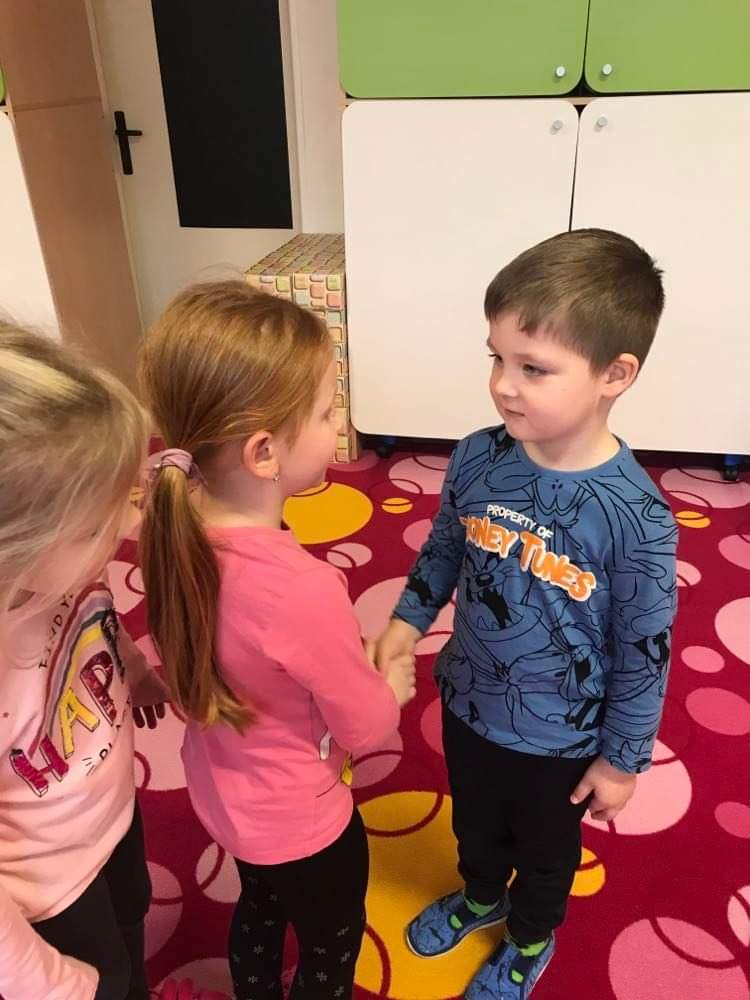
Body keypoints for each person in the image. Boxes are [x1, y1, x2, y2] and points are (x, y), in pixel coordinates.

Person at [375, 230, 678, 999]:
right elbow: (444, 549)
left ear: (615, 375)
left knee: (546, 856)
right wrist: (407, 622)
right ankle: (481, 896)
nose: (503, 386)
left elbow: (644, 652)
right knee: (474, 825)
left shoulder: (637, 519)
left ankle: (529, 937)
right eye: (497, 359)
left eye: (533, 368)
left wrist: (622, 761)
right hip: (469, 702)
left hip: (561, 741)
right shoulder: (479, 456)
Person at [137, 281, 416, 1000]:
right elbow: (365, 727)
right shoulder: (302, 590)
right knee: (331, 942)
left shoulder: (173, 526)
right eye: (326, 411)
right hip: (303, 819)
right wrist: (389, 683)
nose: (337, 421)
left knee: (259, 908)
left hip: (223, 797)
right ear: (264, 452)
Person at [0, 324, 168, 1000]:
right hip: (47, 886)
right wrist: (52, 984)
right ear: (21, 544)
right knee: (108, 980)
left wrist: (135, 670)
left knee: (133, 919)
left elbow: (93, 623)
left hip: (109, 813)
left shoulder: (63, 573)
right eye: (101, 521)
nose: (129, 527)